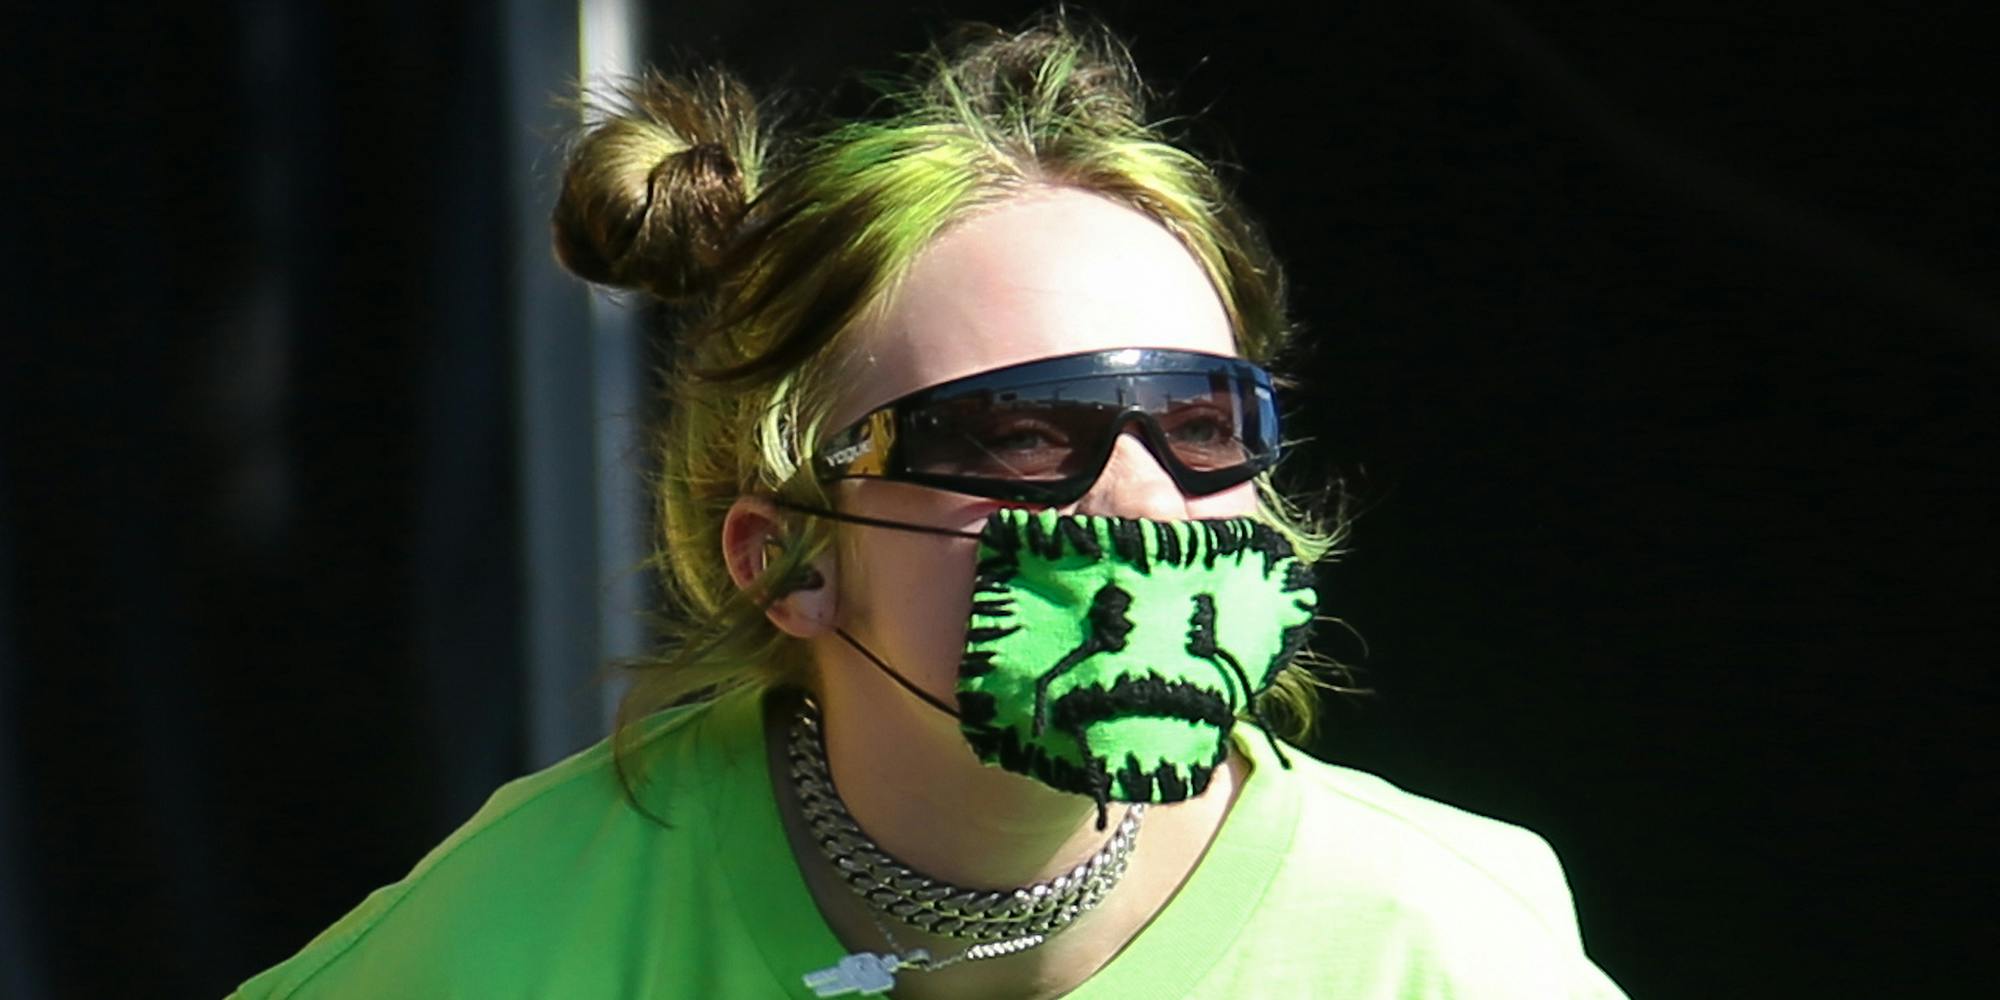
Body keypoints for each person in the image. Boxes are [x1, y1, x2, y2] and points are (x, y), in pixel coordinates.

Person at [231, 15, 1627, 999]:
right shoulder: (514, 944)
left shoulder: (1439, 951)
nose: (1145, 502)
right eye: (1019, 437)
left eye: (1207, 427)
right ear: (781, 556)